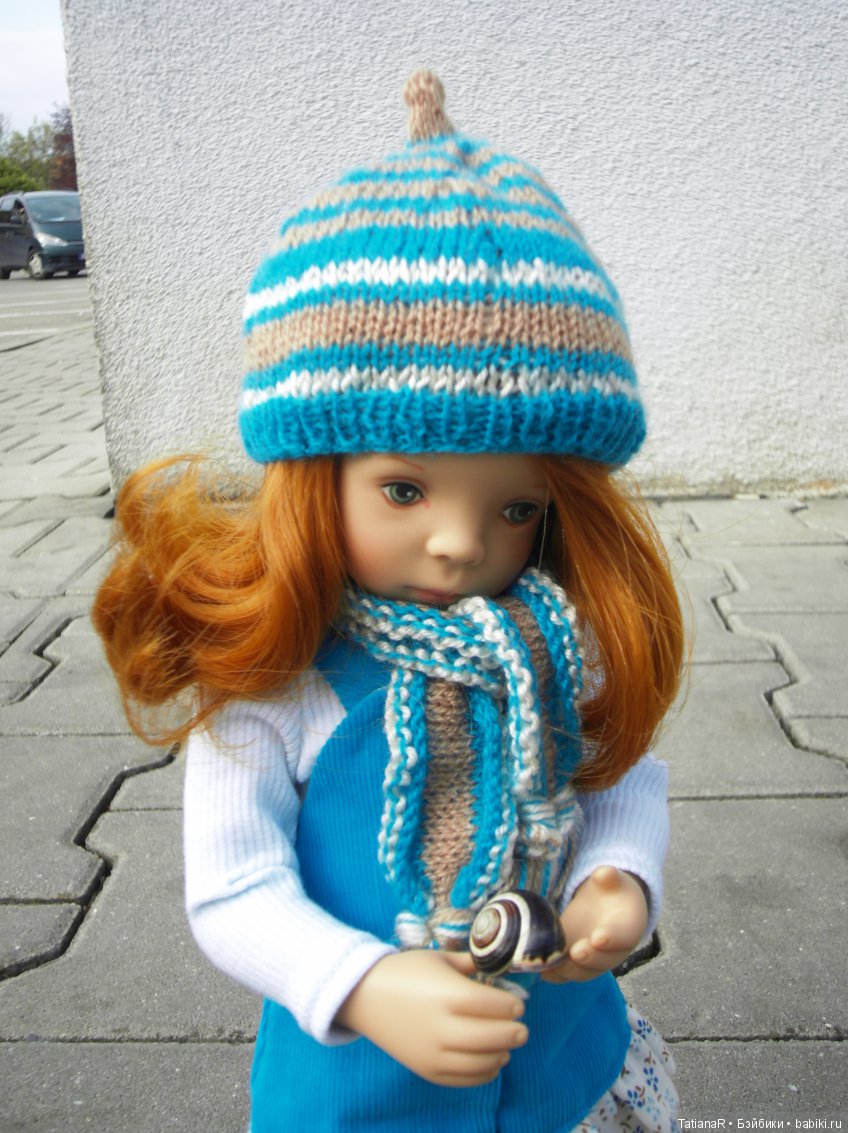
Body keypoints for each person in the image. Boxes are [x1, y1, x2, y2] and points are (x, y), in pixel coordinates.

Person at [93, 70, 685, 1132]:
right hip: (359, 1092)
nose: (460, 542)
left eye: (517, 507)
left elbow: (618, 771)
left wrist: (617, 875)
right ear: (313, 479)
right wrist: (362, 984)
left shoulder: (552, 640)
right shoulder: (277, 683)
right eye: (403, 490)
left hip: (563, 1069)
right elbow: (233, 889)